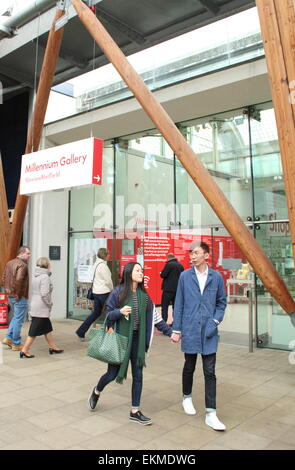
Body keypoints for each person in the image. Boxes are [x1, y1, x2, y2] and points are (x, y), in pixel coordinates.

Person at [88, 261, 172, 425]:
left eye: (142, 271)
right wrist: (119, 312)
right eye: (138, 271)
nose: (141, 273)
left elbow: (156, 319)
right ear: (129, 273)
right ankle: (97, 391)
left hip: (137, 343)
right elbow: (108, 315)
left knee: (138, 376)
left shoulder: (145, 297)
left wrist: (172, 333)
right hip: (121, 340)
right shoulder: (118, 293)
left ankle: (135, 411)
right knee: (111, 375)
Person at [171, 241, 227, 431]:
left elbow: (221, 303)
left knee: (210, 371)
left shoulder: (216, 277)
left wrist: (215, 321)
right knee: (189, 366)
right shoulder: (184, 276)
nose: (192, 256)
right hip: (190, 329)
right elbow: (179, 303)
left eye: (196, 253)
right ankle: (186, 397)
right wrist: (177, 329)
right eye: (191, 253)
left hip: (209, 331)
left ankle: (211, 413)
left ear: (206, 255)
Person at [19, 257, 63, 358]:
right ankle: (24, 350)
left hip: (35, 303)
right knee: (34, 330)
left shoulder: (36, 276)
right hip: (41, 306)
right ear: (47, 265)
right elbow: (44, 294)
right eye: (49, 263)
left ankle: (53, 347)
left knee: (47, 328)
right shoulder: (45, 277)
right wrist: (49, 304)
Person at [76, 248, 113, 341]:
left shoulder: (95, 264)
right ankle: (110, 335)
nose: (109, 256)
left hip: (96, 292)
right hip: (104, 293)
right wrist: (113, 290)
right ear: (105, 255)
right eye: (108, 254)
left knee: (96, 313)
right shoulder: (103, 266)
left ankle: (81, 331)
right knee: (110, 313)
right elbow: (108, 281)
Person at [2, 246, 31, 351]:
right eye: (28, 253)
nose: (29, 255)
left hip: (10, 295)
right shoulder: (22, 265)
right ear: (22, 253)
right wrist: (18, 295)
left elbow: (4, 278)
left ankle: (9, 338)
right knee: (18, 320)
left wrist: (7, 292)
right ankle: (16, 343)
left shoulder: (10, 263)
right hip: (19, 296)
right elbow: (19, 280)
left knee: (15, 317)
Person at [160, 253, 184, 323]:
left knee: (165, 307)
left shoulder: (169, 264)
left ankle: (164, 322)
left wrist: (161, 273)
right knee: (175, 307)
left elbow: (163, 275)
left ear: (168, 258)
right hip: (177, 290)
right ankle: (175, 323)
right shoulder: (180, 265)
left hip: (167, 289)